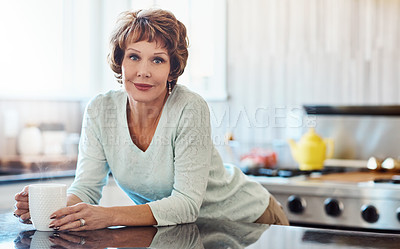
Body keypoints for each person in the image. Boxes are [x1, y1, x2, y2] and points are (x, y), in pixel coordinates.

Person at [14, 8, 289, 231]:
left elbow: (185, 205)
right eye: (134, 57)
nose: (143, 71)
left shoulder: (189, 108)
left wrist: (107, 216)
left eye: (157, 60)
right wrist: (54, 210)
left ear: (172, 71)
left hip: (250, 223)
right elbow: (86, 187)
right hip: (187, 233)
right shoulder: (100, 110)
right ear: (120, 62)